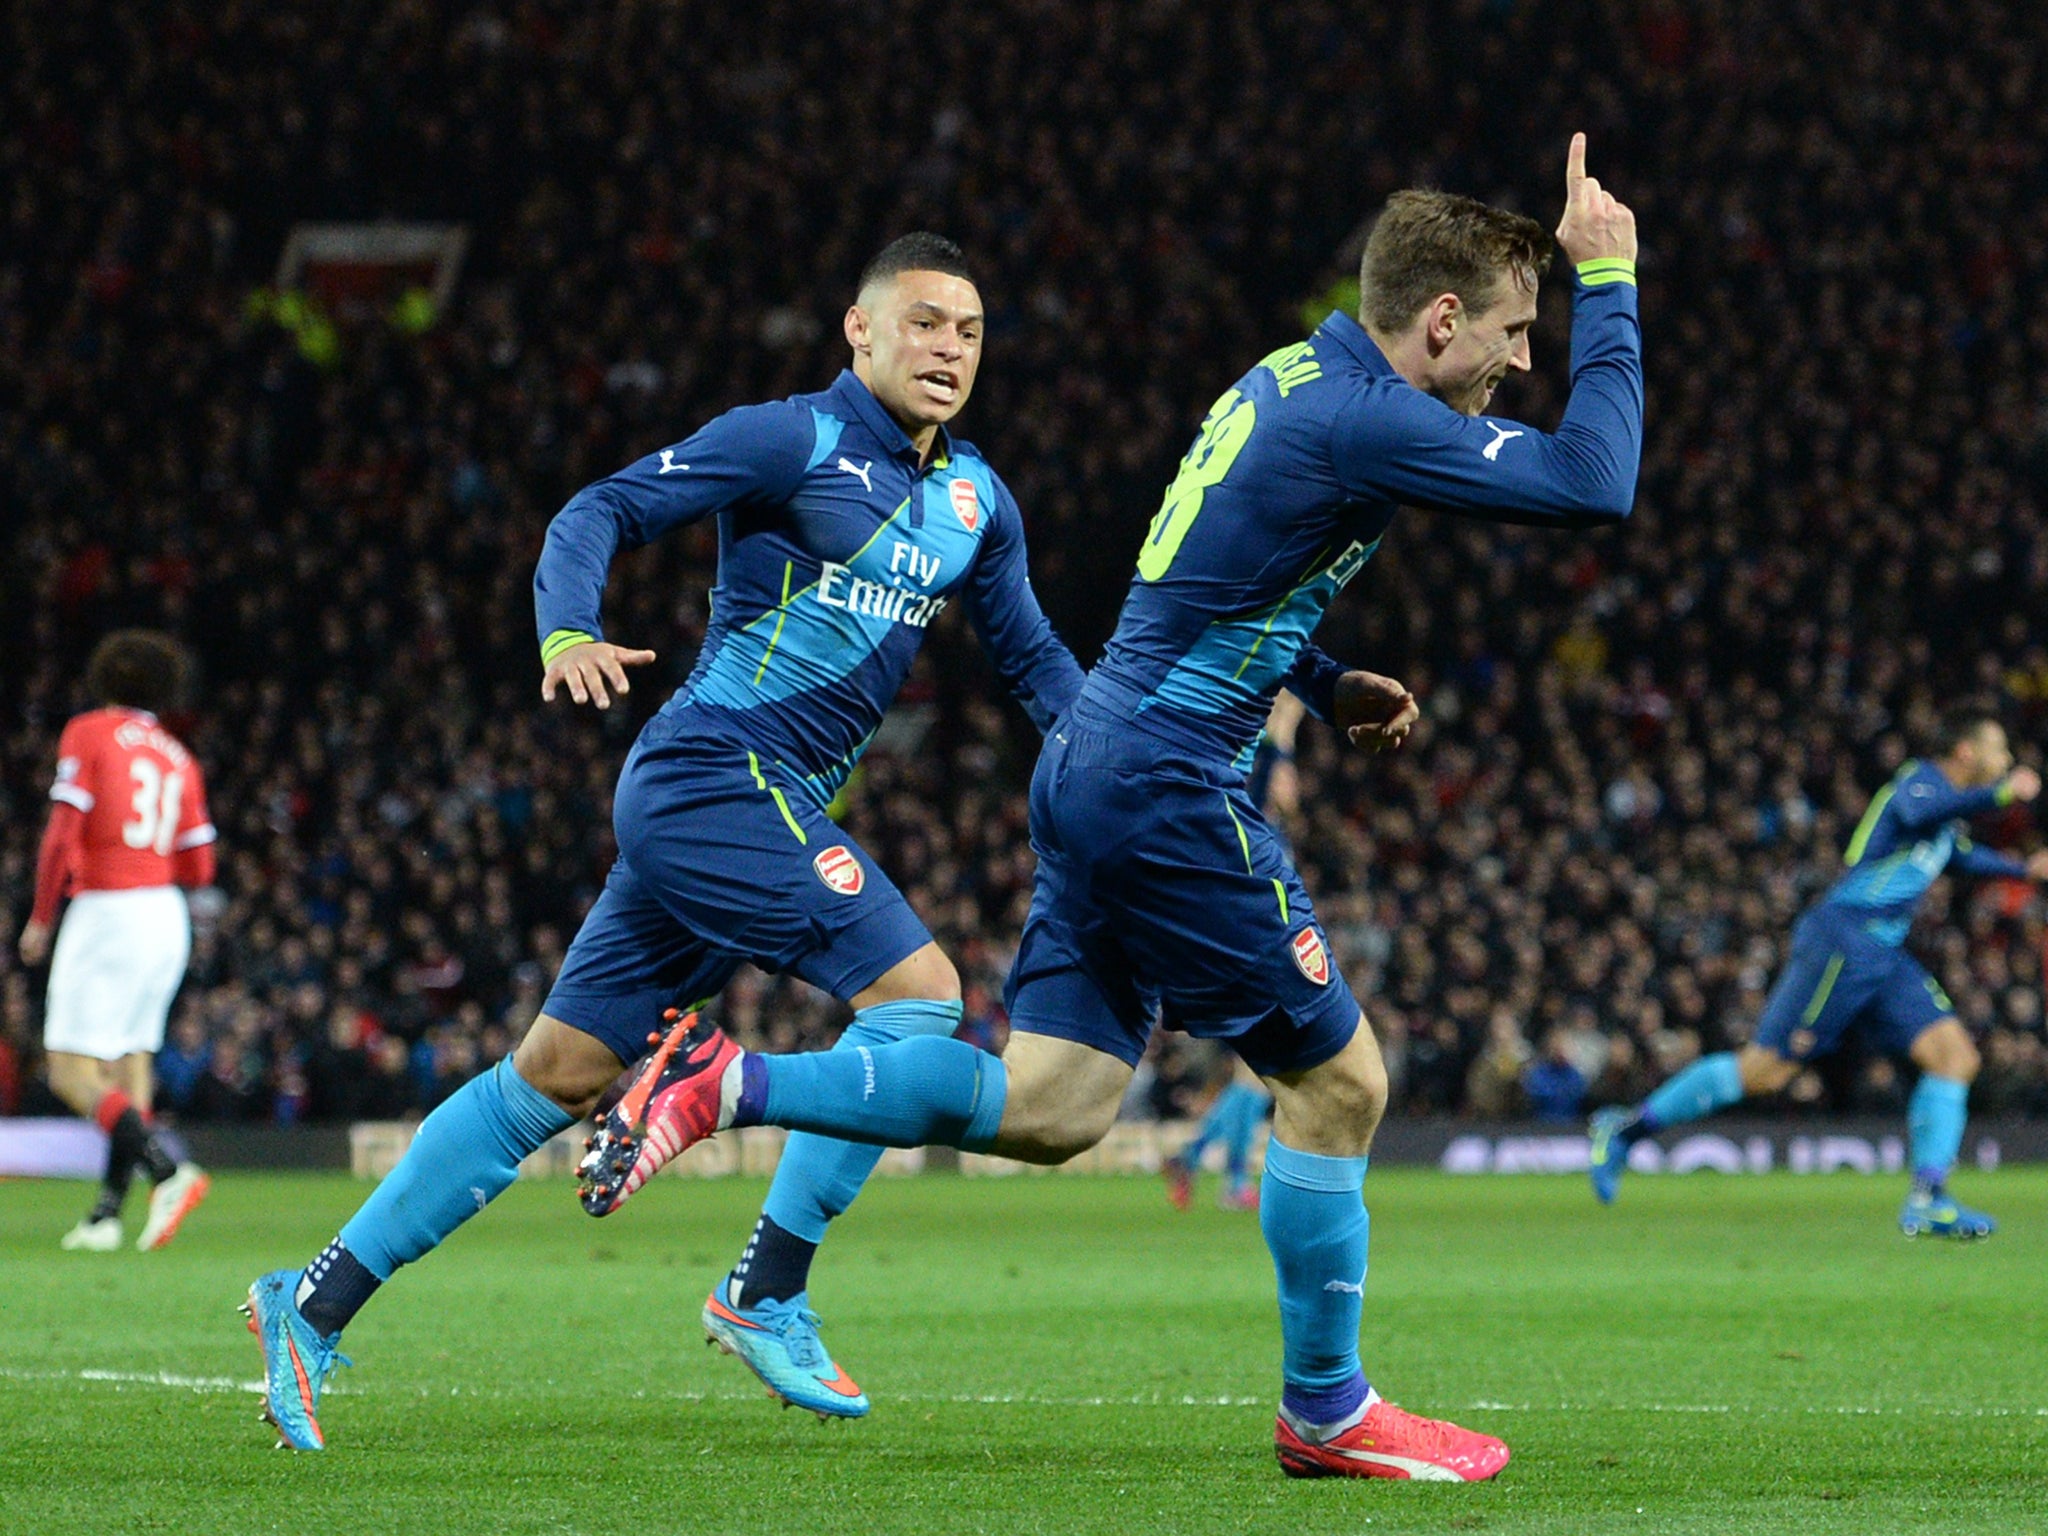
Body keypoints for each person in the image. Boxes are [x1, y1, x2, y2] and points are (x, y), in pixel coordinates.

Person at [579, 136, 1641, 1482]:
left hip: (1096, 757)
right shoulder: (1368, 413)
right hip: (1166, 783)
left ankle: (733, 1081)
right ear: (1440, 320)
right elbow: (1593, 483)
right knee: (1343, 1083)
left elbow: (1200, 573)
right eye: (1511, 331)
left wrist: (1314, 678)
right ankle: (1326, 1409)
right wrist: (1608, 285)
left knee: (1058, 1103)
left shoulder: (1288, 381)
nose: (1521, 363)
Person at [242, 233, 1083, 1450]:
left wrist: (1122, 755)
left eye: (969, 332)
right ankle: (765, 1290)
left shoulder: (976, 501)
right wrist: (564, 631)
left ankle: (308, 1304)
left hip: (754, 805)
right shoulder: (787, 437)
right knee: (920, 1001)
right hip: (712, 774)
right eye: (925, 323)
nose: (949, 349)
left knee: (556, 1077)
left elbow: (1034, 661)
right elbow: (603, 506)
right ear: (859, 329)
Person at [1588, 710, 2048, 1235]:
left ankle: (1928, 1196)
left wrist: (2022, 869)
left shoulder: (1944, 818)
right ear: (1965, 751)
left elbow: (1957, 854)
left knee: (1955, 1057)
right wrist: (2003, 793)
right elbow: (1926, 813)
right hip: (1843, 941)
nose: (2006, 760)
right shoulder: (1918, 785)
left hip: (1885, 954)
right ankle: (1625, 1130)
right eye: (1998, 748)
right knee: (1766, 1071)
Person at [18, 630, 216, 1251]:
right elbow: (200, 868)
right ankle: (107, 1215)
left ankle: (168, 1170)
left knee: (68, 1070)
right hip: (166, 915)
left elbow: (61, 833)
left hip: (108, 906)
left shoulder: (90, 731)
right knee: (130, 1063)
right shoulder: (179, 757)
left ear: (104, 679)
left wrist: (42, 916)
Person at [1163, 693, 1303, 1211]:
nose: (1296, 786)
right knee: (1259, 1075)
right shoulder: (1257, 815)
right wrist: (1288, 708)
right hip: (1248, 941)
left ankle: (1196, 1159)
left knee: (1255, 1076)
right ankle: (1228, 1181)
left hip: (1232, 940)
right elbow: (1275, 748)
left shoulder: (1264, 827)